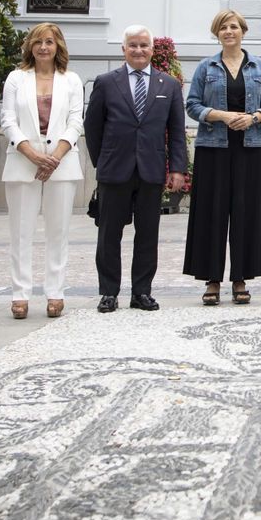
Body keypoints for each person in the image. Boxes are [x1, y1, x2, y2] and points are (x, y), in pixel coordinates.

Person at [85, 25, 188, 313]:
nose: (139, 50)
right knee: (108, 234)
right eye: (133, 45)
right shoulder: (106, 82)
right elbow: (92, 127)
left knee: (147, 234)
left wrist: (177, 168)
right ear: (124, 49)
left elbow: (176, 131)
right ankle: (108, 292)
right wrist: (101, 161)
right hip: (114, 170)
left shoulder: (168, 85)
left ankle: (141, 292)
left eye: (144, 45)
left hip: (151, 171)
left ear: (153, 49)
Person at [183, 10, 261, 306]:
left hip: (249, 147)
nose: (229, 31)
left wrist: (255, 118)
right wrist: (220, 115)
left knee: (246, 214)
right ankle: (211, 279)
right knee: (211, 213)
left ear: (243, 31)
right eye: (223, 27)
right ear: (217, 33)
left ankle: (240, 278)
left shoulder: (258, 66)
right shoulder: (205, 66)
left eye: (234, 27)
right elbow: (192, 105)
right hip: (213, 148)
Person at [0, 23, 84, 320]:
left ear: (58, 46)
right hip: (23, 163)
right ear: (30, 47)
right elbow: (7, 120)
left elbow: (76, 122)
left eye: (49, 42)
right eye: (37, 42)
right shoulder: (15, 79)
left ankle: (55, 292)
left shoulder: (71, 80)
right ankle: (20, 294)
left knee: (58, 233)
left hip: (62, 165)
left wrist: (55, 157)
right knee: (21, 232)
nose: (43, 47)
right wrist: (33, 154)